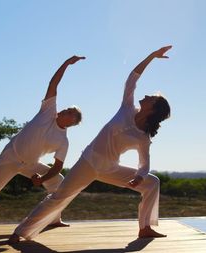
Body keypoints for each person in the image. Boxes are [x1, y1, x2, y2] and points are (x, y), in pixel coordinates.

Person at [9, 46, 172, 242]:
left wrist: (139, 177)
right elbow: (132, 78)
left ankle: (145, 227)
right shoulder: (127, 107)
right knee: (59, 198)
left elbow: (144, 164)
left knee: (152, 182)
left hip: (109, 168)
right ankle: (20, 233)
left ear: (153, 108)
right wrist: (152, 56)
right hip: (87, 163)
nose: (146, 96)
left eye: (151, 97)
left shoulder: (143, 137)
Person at [0, 55, 85, 231]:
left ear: (71, 122)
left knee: (59, 182)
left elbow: (58, 166)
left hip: (30, 164)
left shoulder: (63, 141)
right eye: (66, 108)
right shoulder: (48, 111)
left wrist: (42, 179)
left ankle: (53, 218)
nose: (64, 110)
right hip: (10, 156)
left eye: (68, 112)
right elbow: (53, 84)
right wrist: (67, 63)